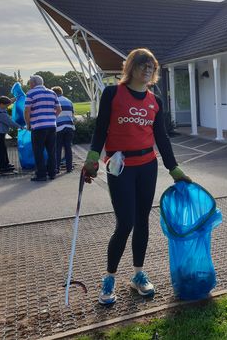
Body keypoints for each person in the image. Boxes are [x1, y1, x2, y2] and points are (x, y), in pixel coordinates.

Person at [82, 48, 192, 305]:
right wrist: (92, 157)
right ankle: (109, 278)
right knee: (125, 223)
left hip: (147, 165)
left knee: (142, 221)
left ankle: (138, 274)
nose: (147, 70)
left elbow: (161, 138)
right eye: (142, 65)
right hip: (120, 167)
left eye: (151, 67)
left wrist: (174, 168)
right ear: (130, 67)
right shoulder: (112, 93)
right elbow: (100, 129)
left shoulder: (155, 100)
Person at [24, 75, 61, 182]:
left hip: (38, 126)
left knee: (38, 151)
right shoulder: (52, 93)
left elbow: (27, 110)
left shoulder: (31, 93)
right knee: (51, 150)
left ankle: (41, 174)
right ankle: (52, 172)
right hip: (51, 126)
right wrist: (52, 118)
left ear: (33, 83)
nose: (29, 84)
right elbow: (59, 109)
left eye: (29, 82)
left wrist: (28, 124)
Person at [51, 86, 75, 173]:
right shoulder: (69, 101)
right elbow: (73, 115)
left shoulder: (54, 101)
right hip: (69, 127)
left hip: (58, 127)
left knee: (57, 148)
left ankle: (57, 168)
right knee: (68, 148)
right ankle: (69, 167)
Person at [0, 96, 22, 174]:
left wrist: (15, 98)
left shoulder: (1, 109)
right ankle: (3, 167)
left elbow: (10, 101)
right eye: (6, 105)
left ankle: (6, 164)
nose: (7, 107)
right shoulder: (0, 112)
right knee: (1, 150)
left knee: (3, 148)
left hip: (1, 132)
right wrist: (21, 127)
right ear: (1, 104)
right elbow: (9, 122)